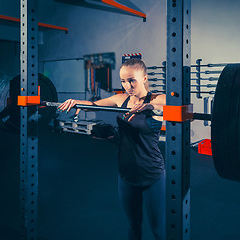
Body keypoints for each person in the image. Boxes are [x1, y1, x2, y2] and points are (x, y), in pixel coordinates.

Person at [58, 58, 166, 240]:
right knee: (133, 227)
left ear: (145, 78)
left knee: (158, 231)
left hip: (152, 175)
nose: (127, 86)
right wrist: (76, 101)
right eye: (123, 81)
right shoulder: (121, 99)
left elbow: (171, 105)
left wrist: (151, 107)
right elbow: (92, 105)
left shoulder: (157, 99)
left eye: (132, 80)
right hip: (126, 175)